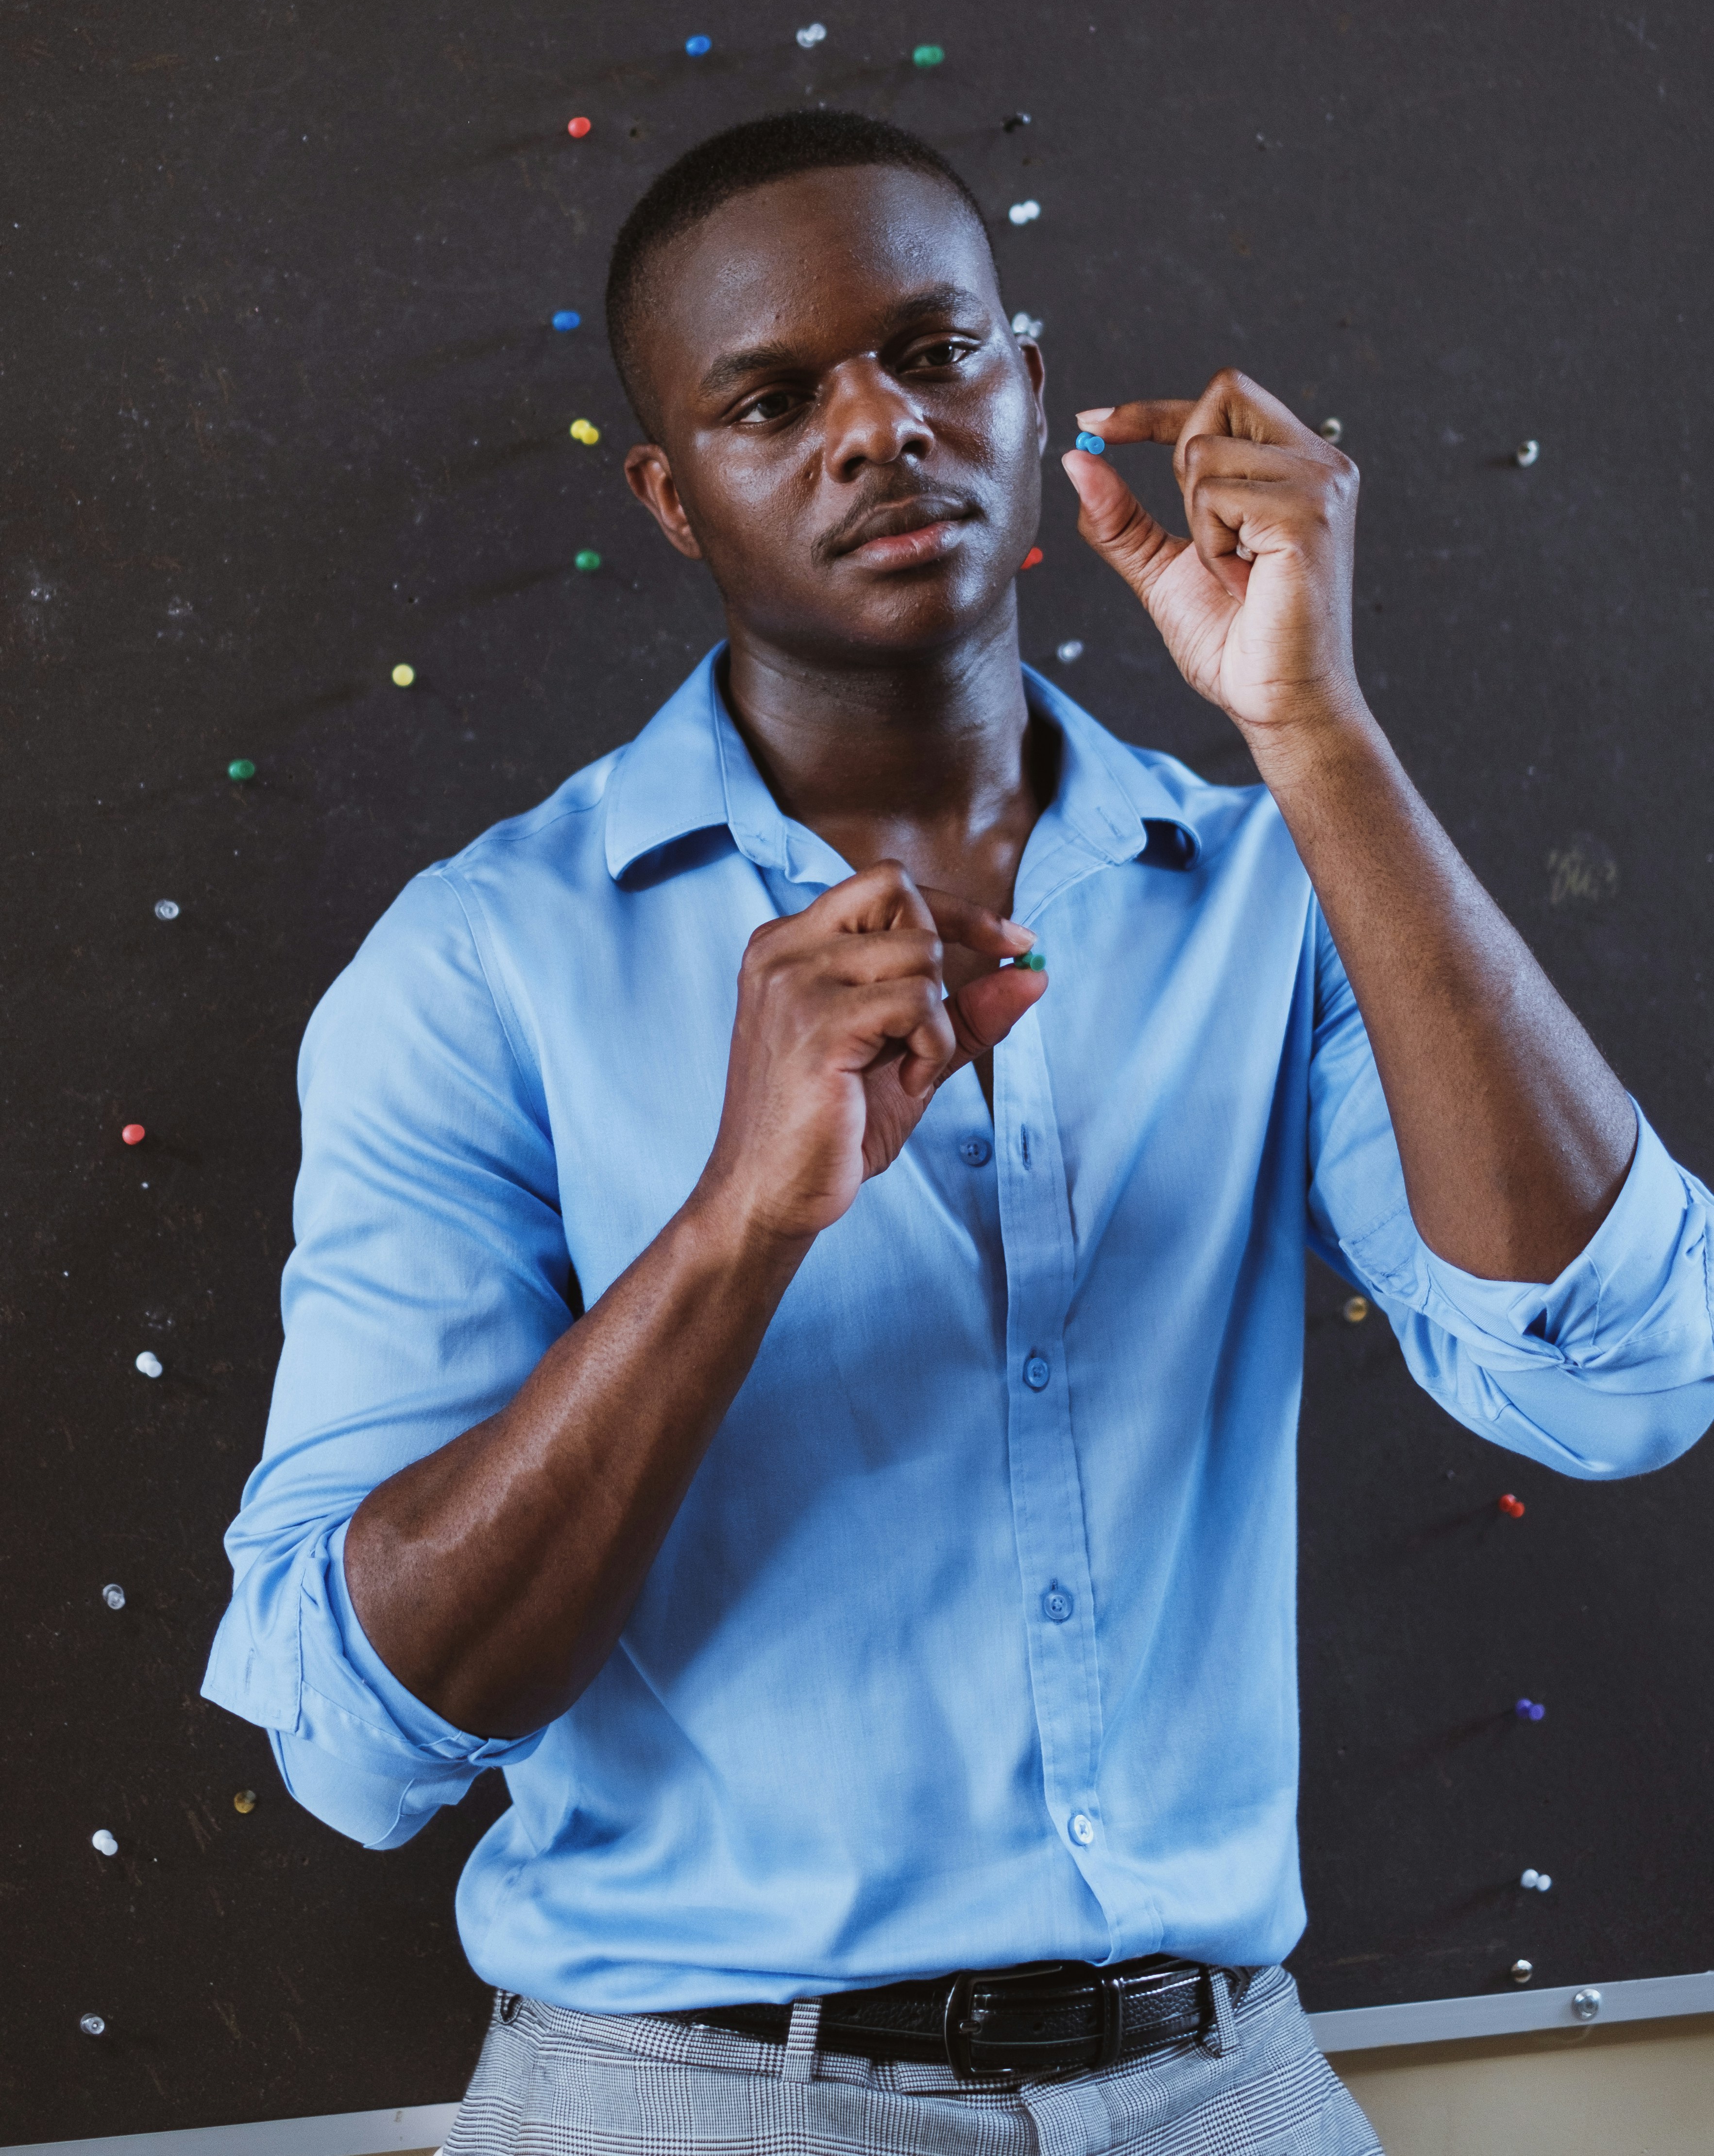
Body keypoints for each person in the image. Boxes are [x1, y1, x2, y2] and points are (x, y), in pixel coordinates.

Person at [204, 110, 1714, 2156]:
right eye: (771, 396)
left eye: (932, 351)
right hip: (702, 2099)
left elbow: (1622, 1385)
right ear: (671, 495)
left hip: (1224, 2083)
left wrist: (1314, 733)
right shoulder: (480, 968)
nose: (878, 427)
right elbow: (353, 1732)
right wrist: (737, 1224)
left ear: (1023, 385)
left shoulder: (1277, 890)